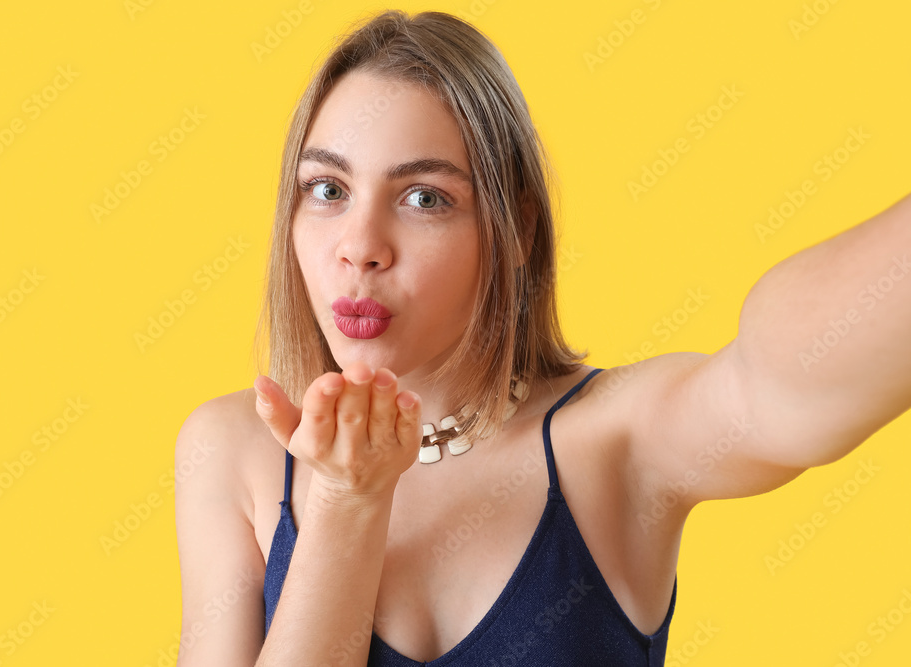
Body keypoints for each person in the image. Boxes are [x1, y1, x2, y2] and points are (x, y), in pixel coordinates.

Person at [173, 9, 911, 666]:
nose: (359, 246)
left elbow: (775, 380)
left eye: (424, 197)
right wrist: (344, 503)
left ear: (516, 229)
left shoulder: (615, 443)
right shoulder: (231, 451)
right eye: (328, 190)